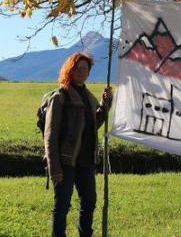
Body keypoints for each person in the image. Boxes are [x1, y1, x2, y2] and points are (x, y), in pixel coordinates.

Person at [44, 52, 113, 237]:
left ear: (89, 72)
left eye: (85, 68)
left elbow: (94, 125)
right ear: (70, 69)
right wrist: (54, 168)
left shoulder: (89, 97)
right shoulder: (60, 97)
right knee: (62, 207)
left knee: (89, 202)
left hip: (86, 162)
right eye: (78, 68)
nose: (82, 71)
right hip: (65, 162)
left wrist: (105, 104)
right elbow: (50, 135)